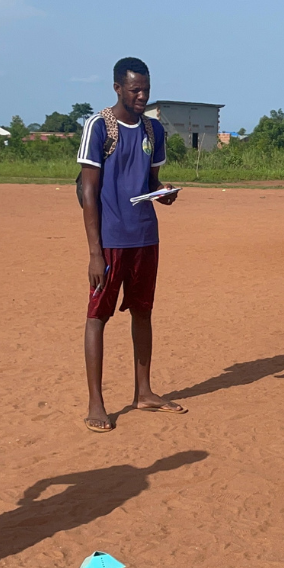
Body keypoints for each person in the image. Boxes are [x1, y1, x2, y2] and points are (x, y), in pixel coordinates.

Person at [76, 57, 186, 433]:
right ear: (117, 88)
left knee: (143, 312)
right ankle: (96, 403)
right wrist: (95, 252)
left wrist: (163, 194)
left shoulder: (153, 130)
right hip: (110, 241)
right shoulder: (99, 126)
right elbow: (88, 189)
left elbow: (150, 181)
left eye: (146, 90)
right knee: (98, 317)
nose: (141, 96)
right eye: (135, 89)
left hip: (145, 236)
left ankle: (144, 392)